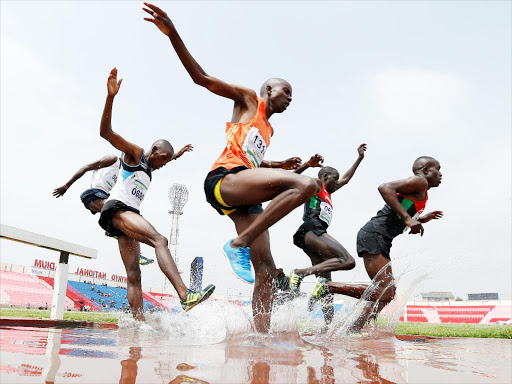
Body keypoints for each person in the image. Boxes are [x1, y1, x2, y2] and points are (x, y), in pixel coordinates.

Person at [143, 3, 321, 332]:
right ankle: (237, 244)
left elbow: (251, 161)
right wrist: (173, 34)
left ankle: (261, 335)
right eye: (287, 91)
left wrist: (281, 164)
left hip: (244, 193)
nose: (291, 98)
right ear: (269, 90)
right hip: (223, 181)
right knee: (307, 185)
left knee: (266, 267)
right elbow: (201, 79)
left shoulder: (269, 130)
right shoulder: (248, 99)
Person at [96, 67, 215, 320]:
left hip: (126, 216)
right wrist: (111, 97)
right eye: (163, 159)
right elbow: (106, 133)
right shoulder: (136, 153)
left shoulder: (149, 167)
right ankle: (185, 295)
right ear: (153, 149)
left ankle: (138, 322)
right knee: (160, 240)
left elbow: (156, 163)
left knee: (134, 274)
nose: (162, 164)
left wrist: (176, 156)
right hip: (117, 209)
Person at [312, 156, 443, 332]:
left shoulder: (421, 190)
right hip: (374, 234)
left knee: (386, 293)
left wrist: (418, 218)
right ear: (426, 171)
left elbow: (397, 212)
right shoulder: (420, 181)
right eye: (438, 169)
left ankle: (354, 329)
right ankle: (327, 287)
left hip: (379, 237)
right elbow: (385, 188)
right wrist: (407, 218)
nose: (441, 174)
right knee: (385, 291)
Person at [53, 144, 194, 266]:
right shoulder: (113, 160)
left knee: (126, 218)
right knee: (123, 211)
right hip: (94, 195)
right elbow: (87, 167)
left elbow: (153, 164)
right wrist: (66, 186)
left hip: (109, 198)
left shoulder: (129, 171)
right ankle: (114, 229)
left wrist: (175, 156)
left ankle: (118, 233)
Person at [288, 145, 367, 324]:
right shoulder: (316, 185)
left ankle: (328, 326)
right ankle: (300, 273)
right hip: (311, 229)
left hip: (314, 234)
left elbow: (346, 179)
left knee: (325, 284)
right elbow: (292, 179)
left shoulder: (328, 192)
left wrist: (359, 158)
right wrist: (308, 165)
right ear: (324, 177)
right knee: (347, 261)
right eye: (334, 179)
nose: (337, 182)